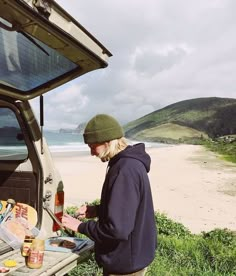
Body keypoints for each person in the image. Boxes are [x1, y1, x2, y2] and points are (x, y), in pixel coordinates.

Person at [62, 114, 157, 276]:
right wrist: (98, 210)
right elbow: (128, 208)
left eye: (93, 146)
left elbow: (117, 230)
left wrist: (79, 226)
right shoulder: (129, 164)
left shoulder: (124, 169)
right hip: (132, 257)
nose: (91, 153)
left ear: (107, 142)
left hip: (125, 265)